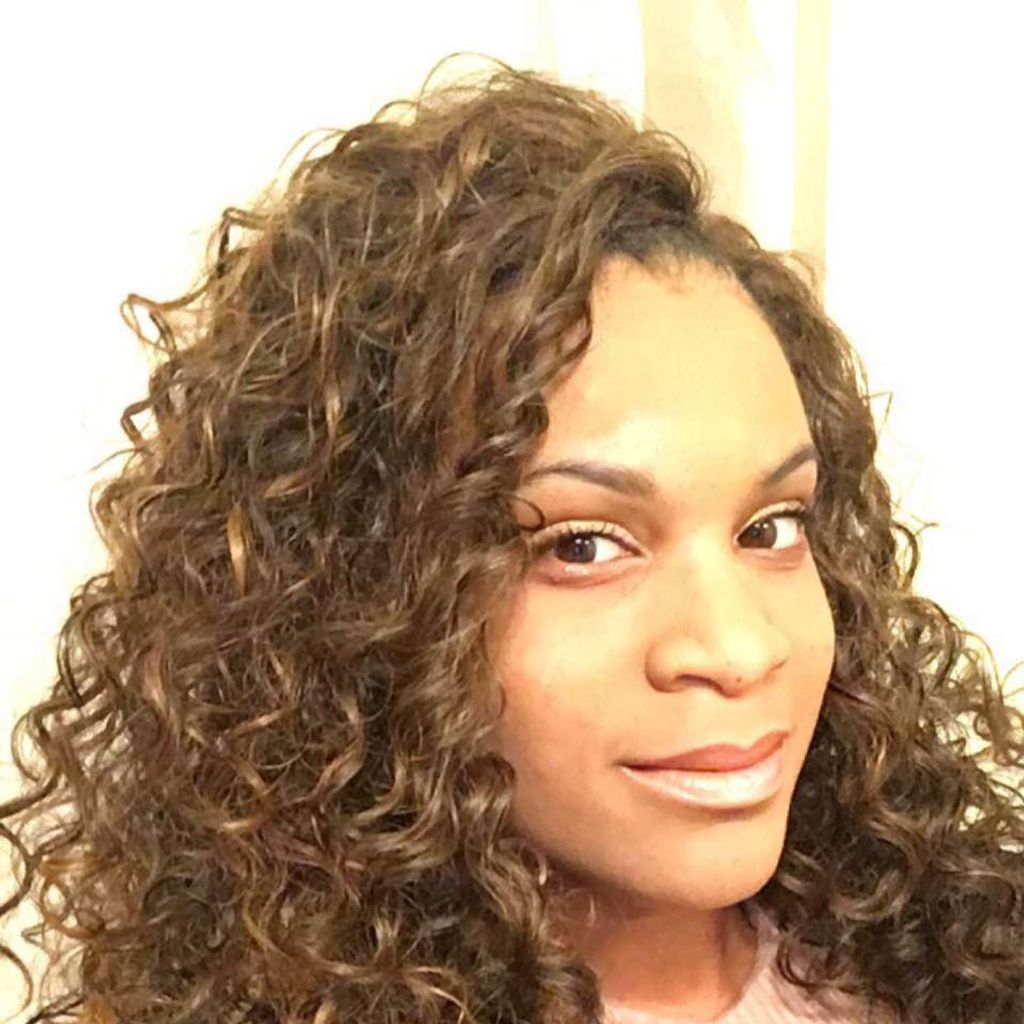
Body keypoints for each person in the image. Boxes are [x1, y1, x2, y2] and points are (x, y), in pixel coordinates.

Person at [1, 56, 1021, 1024]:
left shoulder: (966, 969)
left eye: (771, 527)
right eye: (583, 545)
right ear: (363, 596)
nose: (740, 646)